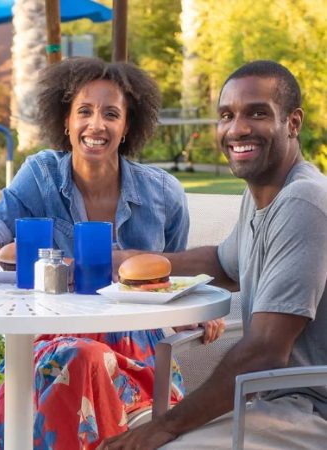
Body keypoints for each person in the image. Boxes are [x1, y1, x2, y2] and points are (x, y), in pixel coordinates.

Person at [0, 57, 225, 449]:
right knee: (78, 356)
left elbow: (170, 282)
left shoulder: (163, 194)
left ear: (127, 126)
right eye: (85, 112)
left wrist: (191, 313)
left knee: (82, 359)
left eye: (111, 114)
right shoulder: (40, 176)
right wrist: (8, 255)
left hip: (137, 358)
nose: (97, 125)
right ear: (65, 120)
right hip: (52, 341)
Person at [102, 61, 327, 449]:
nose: (237, 129)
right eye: (226, 115)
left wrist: (164, 426)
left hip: (311, 409)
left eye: (257, 113)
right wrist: (125, 262)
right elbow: (223, 264)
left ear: (293, 122)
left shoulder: (303, 201)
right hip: (274, 399)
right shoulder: (262, 195)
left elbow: (265, 351)